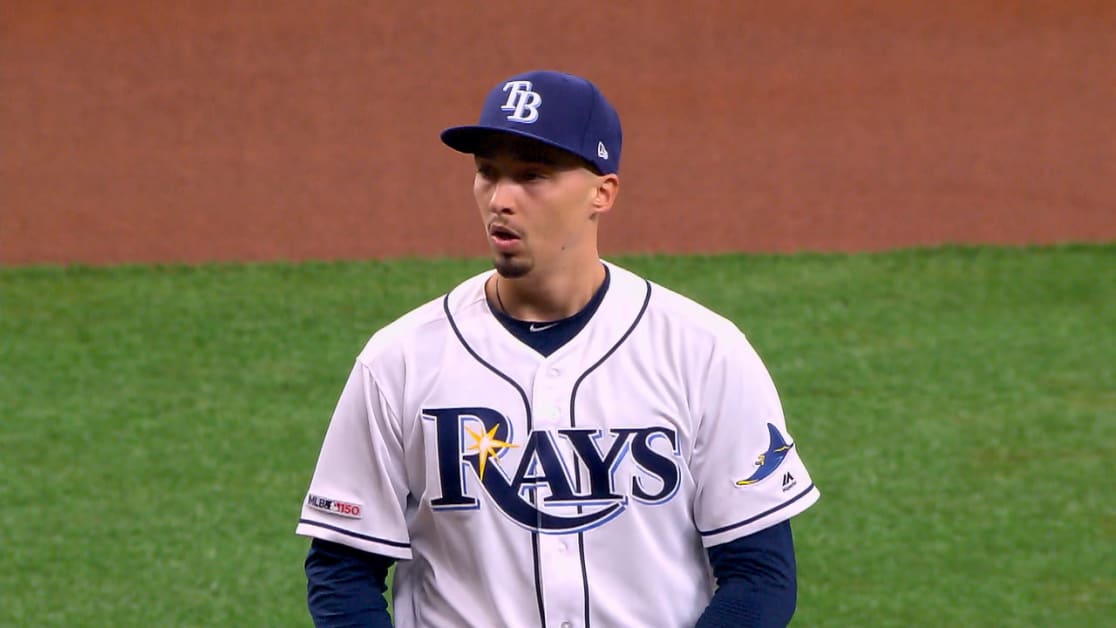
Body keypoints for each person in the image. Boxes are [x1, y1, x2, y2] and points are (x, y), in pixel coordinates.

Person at [296, 69, 820, 627]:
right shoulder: (400, 360)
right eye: (487, 172)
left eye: (532, 175)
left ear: (602, 192)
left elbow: (760, 577)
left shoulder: (704, 352)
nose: (501, 199)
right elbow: (342, 571)